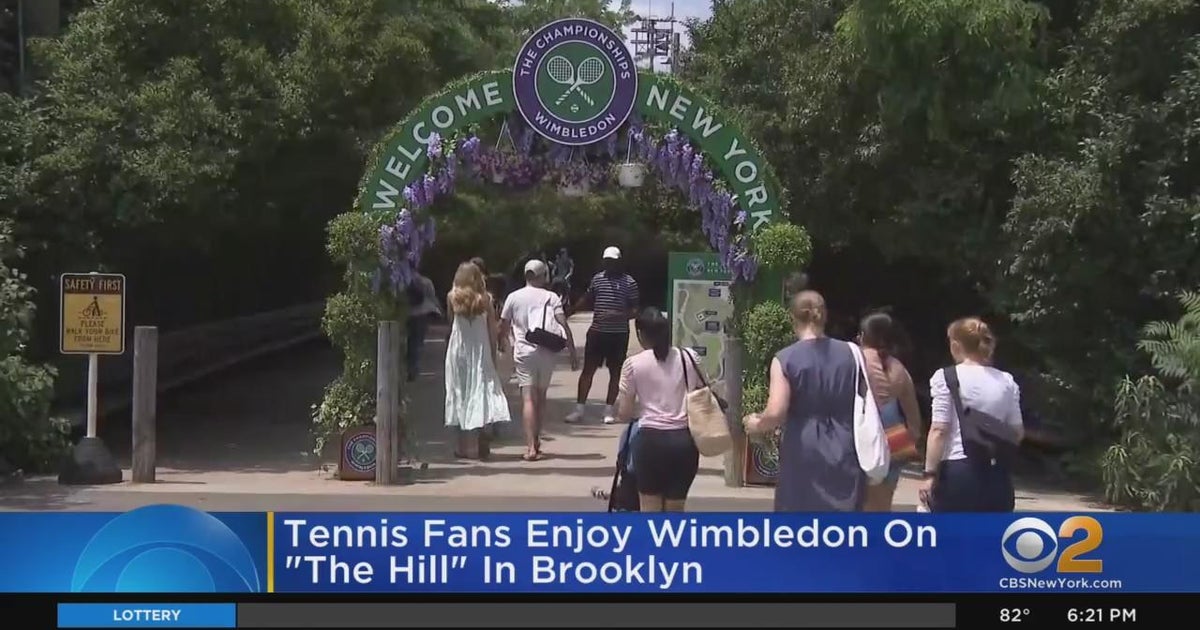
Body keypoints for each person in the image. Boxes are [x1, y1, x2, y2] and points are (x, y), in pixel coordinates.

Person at [742, 290, 869, 512]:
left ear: (793, 318)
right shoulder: (853, 353)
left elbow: (776, 412)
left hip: (803, 446)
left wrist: (755, 423)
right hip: (847, 441)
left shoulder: (785, 358)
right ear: (825, 316)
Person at [920, 317, 1023, 512]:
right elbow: (1017, 432)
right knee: (990, 539)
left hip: (957, 472)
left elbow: (939, 430)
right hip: (997, 474)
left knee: (951, 538)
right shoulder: (1007, 381)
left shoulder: (946, 377)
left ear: (956, 345)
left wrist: (929, 474)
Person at [615, 308, 701, 512]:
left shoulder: (633, 365)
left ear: (640, 334)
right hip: (684, 443)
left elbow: (624, 413)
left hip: (650, 443)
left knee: (650, 510)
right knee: (675, 511)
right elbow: (698, 395)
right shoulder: (690, 357)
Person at [500, 259, 578, 461]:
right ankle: (537, 439)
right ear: (543, 276)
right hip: (547, 350)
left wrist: (502, 343)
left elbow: (504, 325)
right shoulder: (551, 297)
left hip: (524, 351)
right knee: (541, 397)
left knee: (527, 398)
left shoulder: (513, 297)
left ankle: (530, 447)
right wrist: (572, 350)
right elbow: (562, 323)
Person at [443, 262, 511, 459]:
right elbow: (491, 328)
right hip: (480, 350)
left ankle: (463, 447)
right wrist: (492, 353)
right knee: (482, 392)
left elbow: (450, 325)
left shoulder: (452, 297)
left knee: (460, 392)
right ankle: (483, 443)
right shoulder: (486, 299)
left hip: (459, 351)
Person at [857, 312, 923, 511]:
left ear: (862, 335)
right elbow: (914, 420)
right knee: (882, 508)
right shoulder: (899, 369)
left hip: (859, 439)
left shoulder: (854, 360)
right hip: (893, 438)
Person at [566, 246, 640, 424]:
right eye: (607, 261)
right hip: (597, 332)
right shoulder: (598, 279)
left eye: (613, 261)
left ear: (619, 262)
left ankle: (608, 410)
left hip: (618, 333)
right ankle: (579, 409)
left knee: (615, 373)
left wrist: (617, 315)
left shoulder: (629, 282)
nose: (610, 265)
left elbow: (636, 310)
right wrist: (572, 310)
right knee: (588, 371)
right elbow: (588, 297)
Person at [405, 270, 442, 381]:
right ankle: (413, 368)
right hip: (422, 313)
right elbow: (432, 297)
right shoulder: (426, 282)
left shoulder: (406, 280)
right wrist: (439, 309)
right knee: (417, 342)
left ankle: (409, 366)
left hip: (409, 313)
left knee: (410, 341)